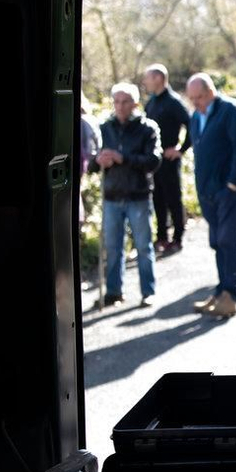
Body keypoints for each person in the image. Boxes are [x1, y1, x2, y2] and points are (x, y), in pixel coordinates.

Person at [89, 82, 161, 308]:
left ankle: (148, 291)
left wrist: (123, 158)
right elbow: (91, 163)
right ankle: (113, 291)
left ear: (135, 104)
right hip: (112, 196)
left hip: (137, 196)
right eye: (117, 101)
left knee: (142, 246)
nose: (120, 106)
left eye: (125, 102)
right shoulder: (104, 127)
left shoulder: (147, 128)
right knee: (113, 247)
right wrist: (98, 161)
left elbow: (153, 161)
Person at [186, 72, 236, 319]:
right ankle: (221, 291)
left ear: (211, 91)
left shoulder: (231, 111)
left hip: (231, 191)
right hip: (208, 192)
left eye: (199, 97)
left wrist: (232, 185)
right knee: (216, 241)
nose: (195, 102)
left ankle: (231, 296)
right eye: (192, 98)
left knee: (228, 240)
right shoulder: (196, 115)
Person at [140, 63, 192, 257]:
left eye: (148, 78)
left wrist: (181, 149)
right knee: (158, 199)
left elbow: (191, 124)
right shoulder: (151, 103)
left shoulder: (173, 102)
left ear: (159, 79)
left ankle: (177, 238)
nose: (145, 82)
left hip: (170, 161)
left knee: (173, 199)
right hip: (154, 162)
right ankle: (161, 236)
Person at [78, 97, 101, 224]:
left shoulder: (85, 121)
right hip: (83, 164)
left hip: (81, 163)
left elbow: (95, 146)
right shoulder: (89, 120)